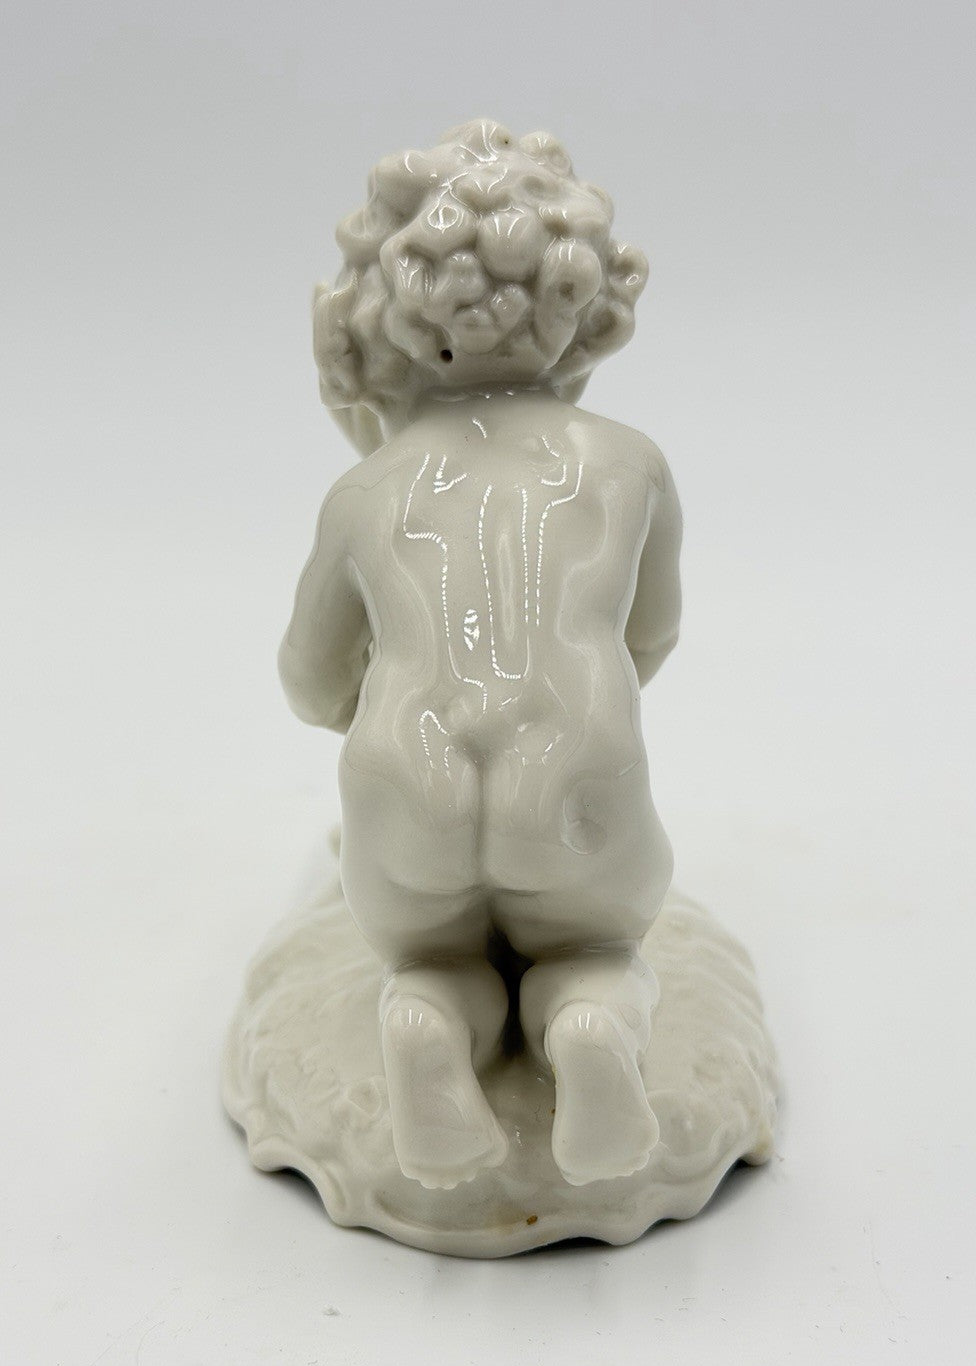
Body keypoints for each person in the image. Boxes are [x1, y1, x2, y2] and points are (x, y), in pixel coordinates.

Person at [281, 120, 682, 1190]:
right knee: (595, 952)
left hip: (407, 784)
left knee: (430, 958)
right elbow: (650, 635)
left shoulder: (368, 488)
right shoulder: (627, 464)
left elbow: (308, 681)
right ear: (581, 306)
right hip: (575, 780)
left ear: (399, 313)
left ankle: (424, 1023)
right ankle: (590, 1028)